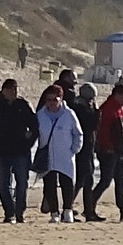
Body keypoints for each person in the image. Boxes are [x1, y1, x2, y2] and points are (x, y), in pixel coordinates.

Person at [0, 79, 38, 223]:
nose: (13, 91)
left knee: (22, 183)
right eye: (10, 89)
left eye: (15, 89)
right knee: (2, 184)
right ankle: (9, 212)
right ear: (4, 91)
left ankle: (19, 212)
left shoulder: (23, 105)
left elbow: (35, 126)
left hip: (21, 151)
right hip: (1, 152)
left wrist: (29, 143)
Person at [85, 83, 123, 222]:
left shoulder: (119, 108)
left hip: (118, 151)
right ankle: (89, 208)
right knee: (105, 181)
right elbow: (101, 131)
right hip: (108, 151)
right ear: (117, 95)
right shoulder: (107, 109)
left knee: (121, 182)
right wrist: (105, 147)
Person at [35, 85, 84, 222]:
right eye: (48, 99)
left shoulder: (68, 114)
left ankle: (68, 211)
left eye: (54, 99)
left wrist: (74, 149)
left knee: (67, 182)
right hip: (48, 155)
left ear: (61, 99)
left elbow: (78, 133)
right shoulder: (41, 115)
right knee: (49, 184)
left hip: (65, 154)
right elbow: (35, 133)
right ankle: (54, 213)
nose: (51, 103)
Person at [70, 84, 99, 218]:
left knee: (84, 179)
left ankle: (77, 207)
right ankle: (84, 209)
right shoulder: (83, 109)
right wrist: (97, 112)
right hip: (84, 147)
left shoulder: (78, 106)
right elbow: (92, 125)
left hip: (85, 146)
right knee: (85, 179)